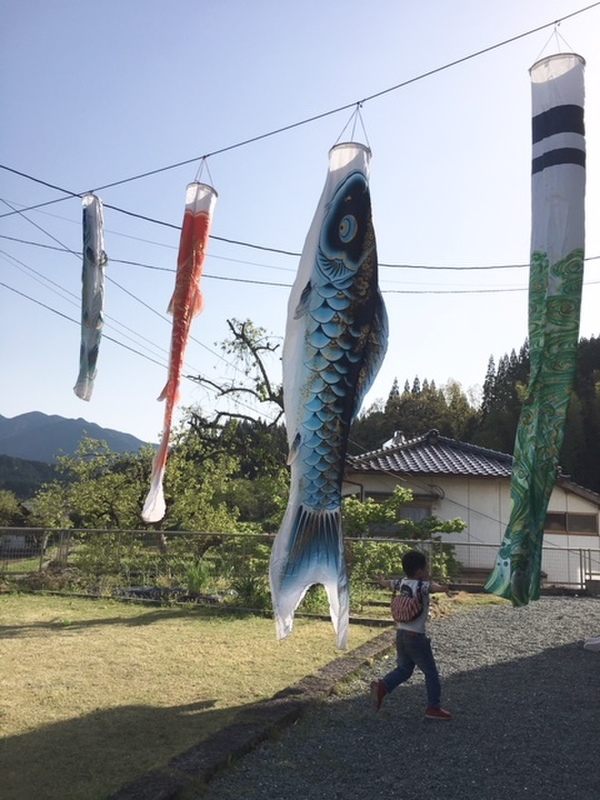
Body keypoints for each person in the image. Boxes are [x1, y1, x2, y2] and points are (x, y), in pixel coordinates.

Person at [370, 549, 452, 720]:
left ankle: (383, 686)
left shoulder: (401, 583)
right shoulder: (422, 585)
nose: (428, 571)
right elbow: (433, 587)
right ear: (420, 571)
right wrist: (443, 588)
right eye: (426, 568)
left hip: (400, 633)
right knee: (431, 673)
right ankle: (433, 708)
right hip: (415, 636)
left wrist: (381, 581)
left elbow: (388, 583)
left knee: (405, 669)